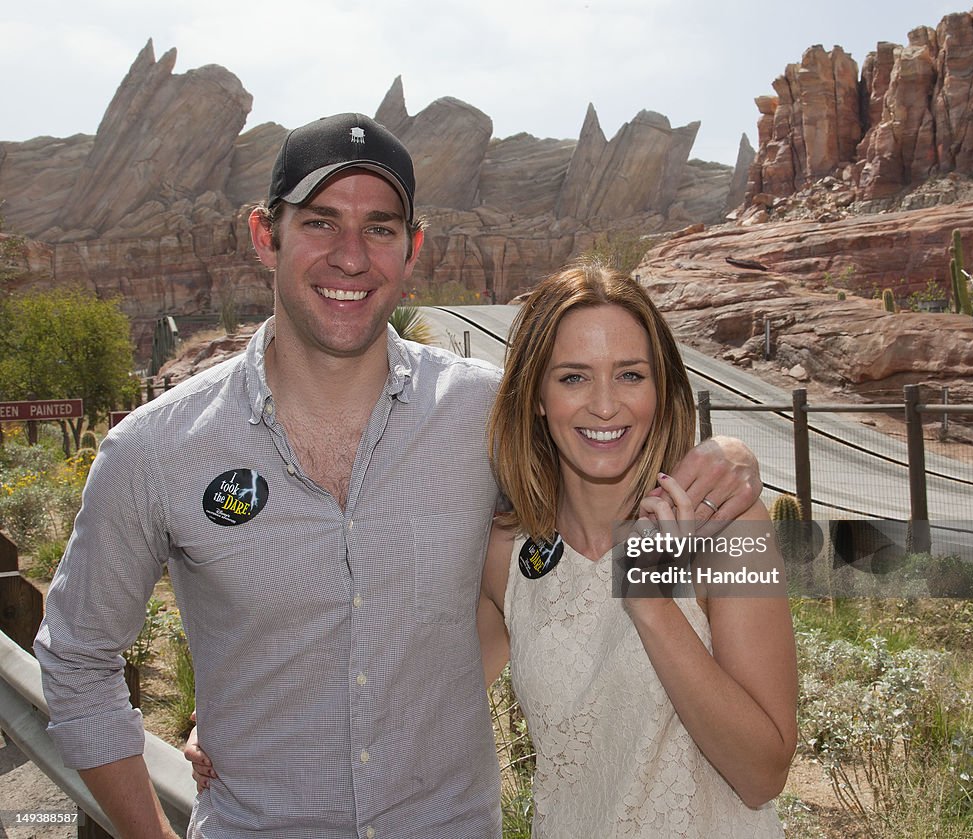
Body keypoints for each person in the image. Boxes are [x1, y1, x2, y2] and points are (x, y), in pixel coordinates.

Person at [35, 113, 763, 839]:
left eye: (379, 228)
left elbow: (602, 465)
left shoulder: (486, 413)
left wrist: (725, 454)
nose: (350, 257)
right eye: (321, 222)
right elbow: (76, 660)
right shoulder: (155, 450)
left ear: (412, 248)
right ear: (266, 234)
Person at [476, 261, 798, 836]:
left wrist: (650, 602)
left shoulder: (725, 525)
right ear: (536, 397)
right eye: (573, 377)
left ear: (661, 388)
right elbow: (421, 698)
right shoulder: (506, 553)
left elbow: (762, 773)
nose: (605, 405)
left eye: (630, 375)